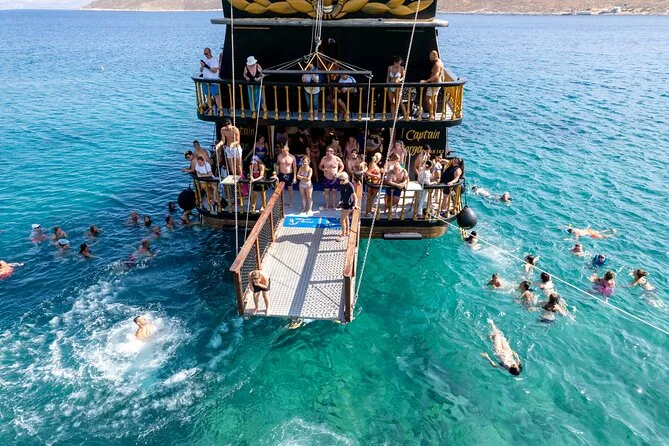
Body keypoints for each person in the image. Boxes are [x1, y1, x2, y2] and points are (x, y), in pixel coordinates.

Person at [420, 50, 445, 120]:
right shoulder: (440, 62)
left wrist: (426, 81)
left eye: (431, 57)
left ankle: (431, 114)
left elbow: (436, 76)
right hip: (438, 84)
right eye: (430, 57)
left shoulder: (437, 64)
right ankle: (434, 114)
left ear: (435, 56)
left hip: (434, 84)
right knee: (435, 99)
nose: (430, 58)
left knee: (427, 98)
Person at [319, 146, 345, 210]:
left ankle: (333, 205)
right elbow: (320, 166)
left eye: (330, 151)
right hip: (326, 178)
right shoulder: (324, 159)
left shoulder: (337, 159)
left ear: (333, 152)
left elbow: (342, 166)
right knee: (326, 192)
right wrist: (323, 169)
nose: (328, 152)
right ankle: (327, 204)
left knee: (334, 192)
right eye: (327, 151)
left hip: (334, 178)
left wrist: (338, 173)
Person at [337, 172, 358, 241]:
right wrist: (340, 202)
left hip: (348, 205)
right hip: (343, 203)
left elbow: (355, 196)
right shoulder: (342, 184)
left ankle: (343, 235)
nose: (340, 181)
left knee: (341, 220)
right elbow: (343, 195)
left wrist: (355, 205)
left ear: (346, 179)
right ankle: (347, 232)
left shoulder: (350, 185)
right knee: (346, 218)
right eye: (340, 180)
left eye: (342, 180)